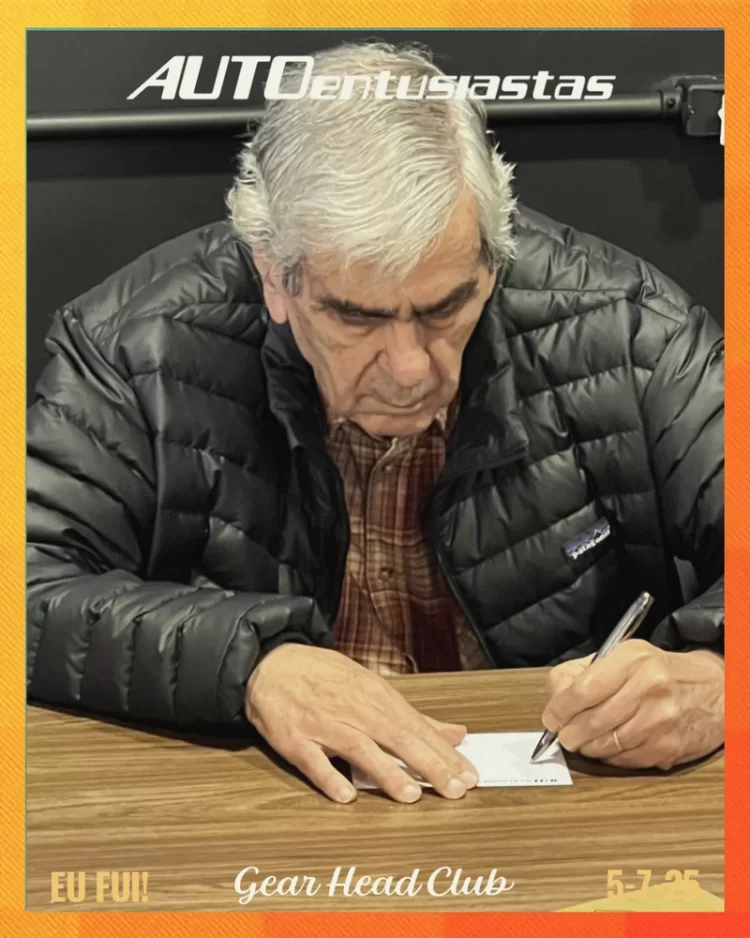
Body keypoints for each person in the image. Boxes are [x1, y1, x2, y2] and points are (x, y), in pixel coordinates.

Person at [26, 41, 724, 806]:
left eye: (445, 308)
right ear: (273, 274)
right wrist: (251, 665)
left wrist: (719, 678)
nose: (410, 367)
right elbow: (28, 590)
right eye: (357, 318)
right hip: (267, 807)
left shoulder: (628, 330)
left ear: (493, 258)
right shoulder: (137, 349)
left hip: (560, 805)